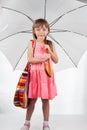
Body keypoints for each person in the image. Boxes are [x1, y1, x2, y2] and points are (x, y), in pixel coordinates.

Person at [21, 18, 58, 130]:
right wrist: (43, 59)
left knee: (45, 100)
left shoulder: (50, 44)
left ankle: (46, 124)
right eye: (38, 29)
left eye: (44, 29)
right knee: (32, 100)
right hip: (34, 77)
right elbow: (30, 59)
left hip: (46, 77)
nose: (41, 31)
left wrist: (49, 51)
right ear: (34, 31)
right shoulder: (31, 43)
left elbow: (56, 60)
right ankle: (27, 123)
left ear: (48, 31)